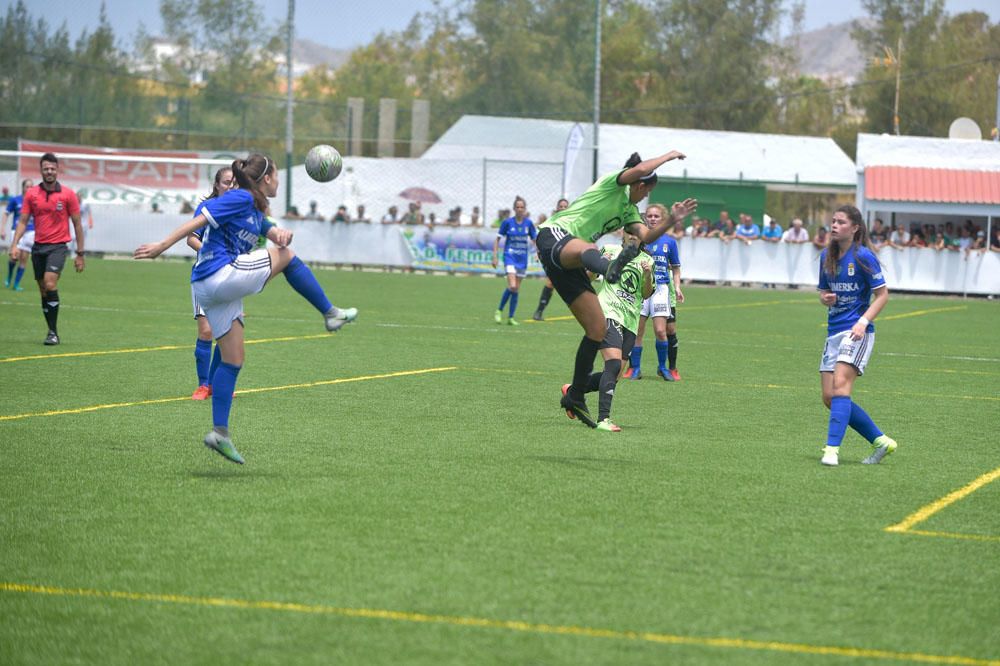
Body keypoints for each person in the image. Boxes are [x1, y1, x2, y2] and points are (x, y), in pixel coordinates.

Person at [134, 153, 358, 465]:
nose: (278, 180)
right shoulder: (239, 198)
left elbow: (269, 229)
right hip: (220, 273)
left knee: (233, 360)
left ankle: (220, 433)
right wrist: (161, 246)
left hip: (212, 289)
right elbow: (197, 221)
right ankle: (330, 313)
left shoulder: (255, 208)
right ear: (266, 179)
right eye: (276, 175)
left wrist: (278, 234)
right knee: (287, 256)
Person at [535, 150, 695, 427]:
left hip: (571, 263)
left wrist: (672, 220)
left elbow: (646, 236)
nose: (645, 196)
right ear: (639, 183)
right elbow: (641, 168)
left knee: (597, 330)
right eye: (646, 189)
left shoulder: (629, 211)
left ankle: (574, 395)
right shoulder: (613, 184)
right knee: (588, 246)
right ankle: (609, 268)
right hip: (555, 237)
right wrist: (668, 156)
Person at [817, 204, 895, 467]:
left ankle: (831, 451)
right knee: (830, 397)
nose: (834, 225)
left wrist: (863, 322)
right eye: (833, 221)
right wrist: (825, 298)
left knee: (841, 386)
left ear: (855, 227)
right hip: (833, 331)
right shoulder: (825, 257)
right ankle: (880, 440)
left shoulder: (864, 257)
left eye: (840, 222)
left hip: (857, 332)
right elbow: (823, 293)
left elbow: (882, 295)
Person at [571, 229, 654, 431]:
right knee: (614, 364)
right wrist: (598, 264)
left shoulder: (648, 260)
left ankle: (574, 391)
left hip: (631, 321)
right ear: (623, 234)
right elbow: (587, 278)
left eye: (638, 232)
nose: (634, 235)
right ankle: (603, 420)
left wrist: (647, 274)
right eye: (630, 231)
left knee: (614, 374)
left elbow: (645, 294)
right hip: (607, 312)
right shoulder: (610, 250)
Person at [10, 153, 85, 345]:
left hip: (58, 247)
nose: (49, 171)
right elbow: (23, 221)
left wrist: (80, 254)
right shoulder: (32, 194)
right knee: (43, 289)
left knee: (50, 283)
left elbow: (77, 224)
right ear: (41, 171)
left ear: (57, 170)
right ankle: (50, 329)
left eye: (52, 168)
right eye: (46, 169)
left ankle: (53, 332)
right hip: (38, 248)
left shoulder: (68, 194)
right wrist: (14, 244)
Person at [187, 167, 235, 400]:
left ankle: (216, 385)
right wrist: (212, 254)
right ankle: (203, 385)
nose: (230, 186)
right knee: (206, 331)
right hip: (205, 275)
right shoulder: (206, 209)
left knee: (225, 334)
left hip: (229, 278)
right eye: (226, 182)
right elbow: (191, 238)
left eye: (234, 182)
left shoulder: (239, 211)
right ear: (217, 185)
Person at [627, 203, 684, 381]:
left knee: (661, 331)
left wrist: (677, 286)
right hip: (641, 288)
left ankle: (662, 367)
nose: (652, 219)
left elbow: (675, 267)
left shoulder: (669, 242)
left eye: (656, 216)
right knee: (638, 331)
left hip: (661, 289)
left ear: (663, 218)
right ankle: (635, 368)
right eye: (650, 216)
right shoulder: (639, 239)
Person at [492, 196, 537, 325]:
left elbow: (534, 240)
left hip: (522, 259)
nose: (519, 209)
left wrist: (537, 253)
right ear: (514, 208)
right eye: (517, 207)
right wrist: (495, 256)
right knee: (512, 285)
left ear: (525, 209)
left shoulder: (528, 223)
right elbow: (497, 239)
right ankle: (499, 311)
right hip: (510, 257)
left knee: (516, 288)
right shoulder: (507, 223)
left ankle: (511, 317)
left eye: (522, 207)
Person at [532, 197, 569, 321]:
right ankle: (539, 311)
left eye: (565, 206)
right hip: (553, 255)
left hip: (568, 256)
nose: (563, 208)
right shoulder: (551, 222)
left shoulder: (572, 221)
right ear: (557, 208)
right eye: (561, 206)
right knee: (550, 282)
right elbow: (541, 237)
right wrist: (538, 251)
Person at [2, 179, 34, 291]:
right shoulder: (16, 200)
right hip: (16, 231)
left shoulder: (35, 201)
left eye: (31, 187)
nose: (29, 189)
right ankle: (9, 277)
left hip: (30, 232)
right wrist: (2, 229)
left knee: (24, 258)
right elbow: (6, 214)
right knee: (14, 256)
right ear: (23, 188)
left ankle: (16, 284)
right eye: (27, 186)